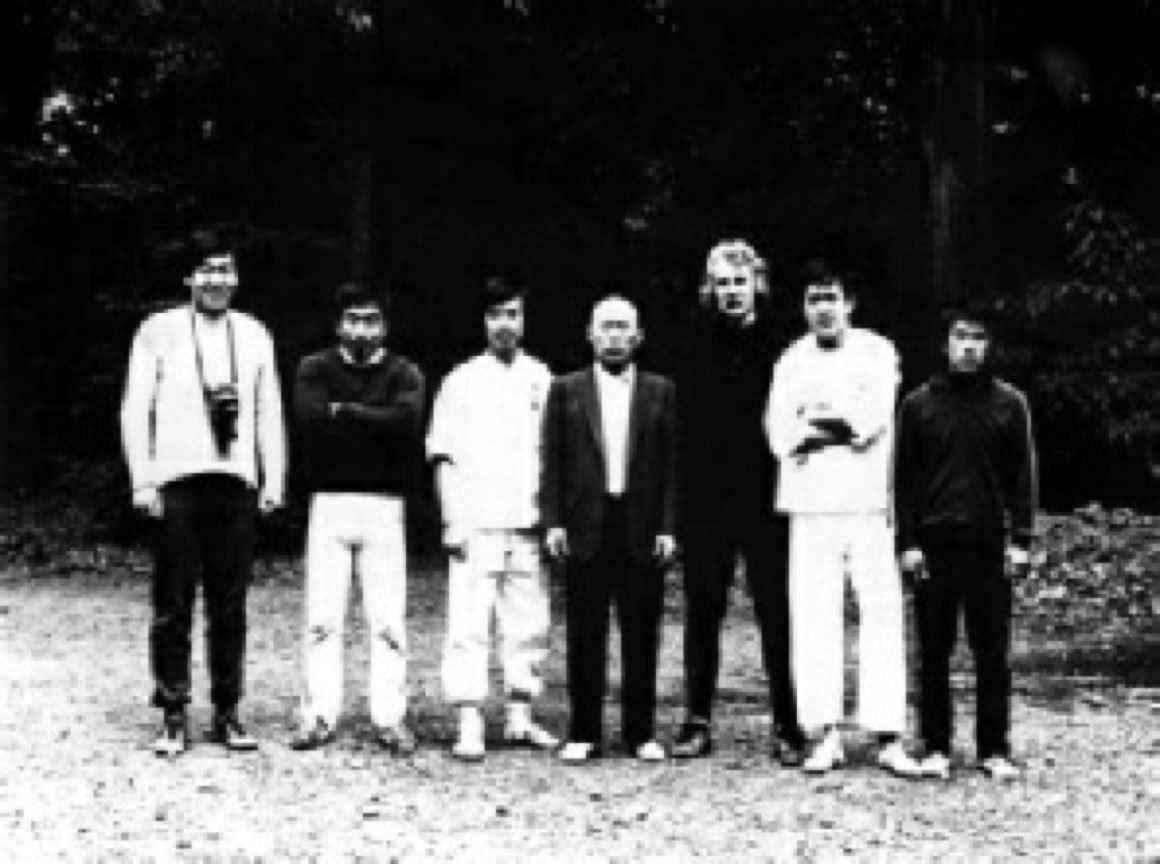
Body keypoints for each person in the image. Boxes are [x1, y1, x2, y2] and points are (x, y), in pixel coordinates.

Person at [120, 227, 286, 758]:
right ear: (188, 277)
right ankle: (172, 709)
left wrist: (272, 477)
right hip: (177, 482)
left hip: (234, 481)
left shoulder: (255, 334)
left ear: (237, 278)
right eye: (207, 269)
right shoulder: (158, 331)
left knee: (230, 604)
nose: (217, 279)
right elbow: (134, 407)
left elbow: (268, 412)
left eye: (226, 269)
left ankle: (227, 711)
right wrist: (143, 478)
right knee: (173, 601)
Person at [764, 257, 919, 776]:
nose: (823, 309)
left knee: (881, 612)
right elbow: (779, 431)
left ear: (849, 302)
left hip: (869, 501)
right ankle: (823, 733)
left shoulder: (878, 352)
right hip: (809, 504)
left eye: (831, 297)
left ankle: (887, 734)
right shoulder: (789, 360)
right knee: (813, 615)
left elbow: (868, 421)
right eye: (814, 299)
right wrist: (814, 431)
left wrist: (819, 428)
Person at [672, 240, 804, 765]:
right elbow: (681, 430)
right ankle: (696, 719)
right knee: (703, 611)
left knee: (776, 610)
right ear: (710, 289)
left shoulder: (783, 347)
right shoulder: (691, 346)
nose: (731, 292)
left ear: (757, 285)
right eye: (722, 283)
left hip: (767, 499)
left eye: (739, 282)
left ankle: (788, 722)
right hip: (707, 500)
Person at [895, 306, 1037, 782]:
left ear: (989, 346)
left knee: (991, 651)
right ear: (946, 345)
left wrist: (1021, 540)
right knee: (933, 650)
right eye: (961, 337)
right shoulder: (918, 404)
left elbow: (1023, 478)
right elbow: (905, 481)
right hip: (934, 543)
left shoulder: (1009, 403)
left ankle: (993, 748)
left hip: (988, 543)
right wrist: (907, 543)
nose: (969, 346)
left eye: (978, 338)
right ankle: (935, 746)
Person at [426, 277, 559, 761]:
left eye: (513, 314)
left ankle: (521, 714)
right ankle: (469, 718)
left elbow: (553, 456)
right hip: (475, 520)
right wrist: (451, 520)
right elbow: (443, 455)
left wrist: (550, 520)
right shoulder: (460, 381)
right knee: (469, 621)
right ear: (483, 322)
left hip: (526, 520)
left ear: (524, 320)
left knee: (529, 621)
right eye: (496, 315)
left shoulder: (542, 378)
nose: (505, 324)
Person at [289, 283, 425, 755]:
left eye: (370, 320)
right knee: (323, 619)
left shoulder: (404, 371)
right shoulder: (314, 368)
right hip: (329, 502)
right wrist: (374, 418)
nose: (361, 328)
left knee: (387, 620)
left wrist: (344, 412)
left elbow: (407, 423)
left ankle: (390, 717)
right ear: (338, 324)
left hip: (385, 505)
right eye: (353, 319)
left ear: (384, 326)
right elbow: (308, 423)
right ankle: (318, 714)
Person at [541, 295, 678, 763]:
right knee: (585, 629)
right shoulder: (566, 390)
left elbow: (671, 467)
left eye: (624, 327)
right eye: (606, 327)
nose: (615, 336)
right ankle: (584, 731)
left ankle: (640, 732)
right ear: (590, 335)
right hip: (587, 522)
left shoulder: (660, 391)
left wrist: (667, 526)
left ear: (638, 336)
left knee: (641, 629)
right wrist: (554, 520)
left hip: (639, 522)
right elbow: (552, 461)